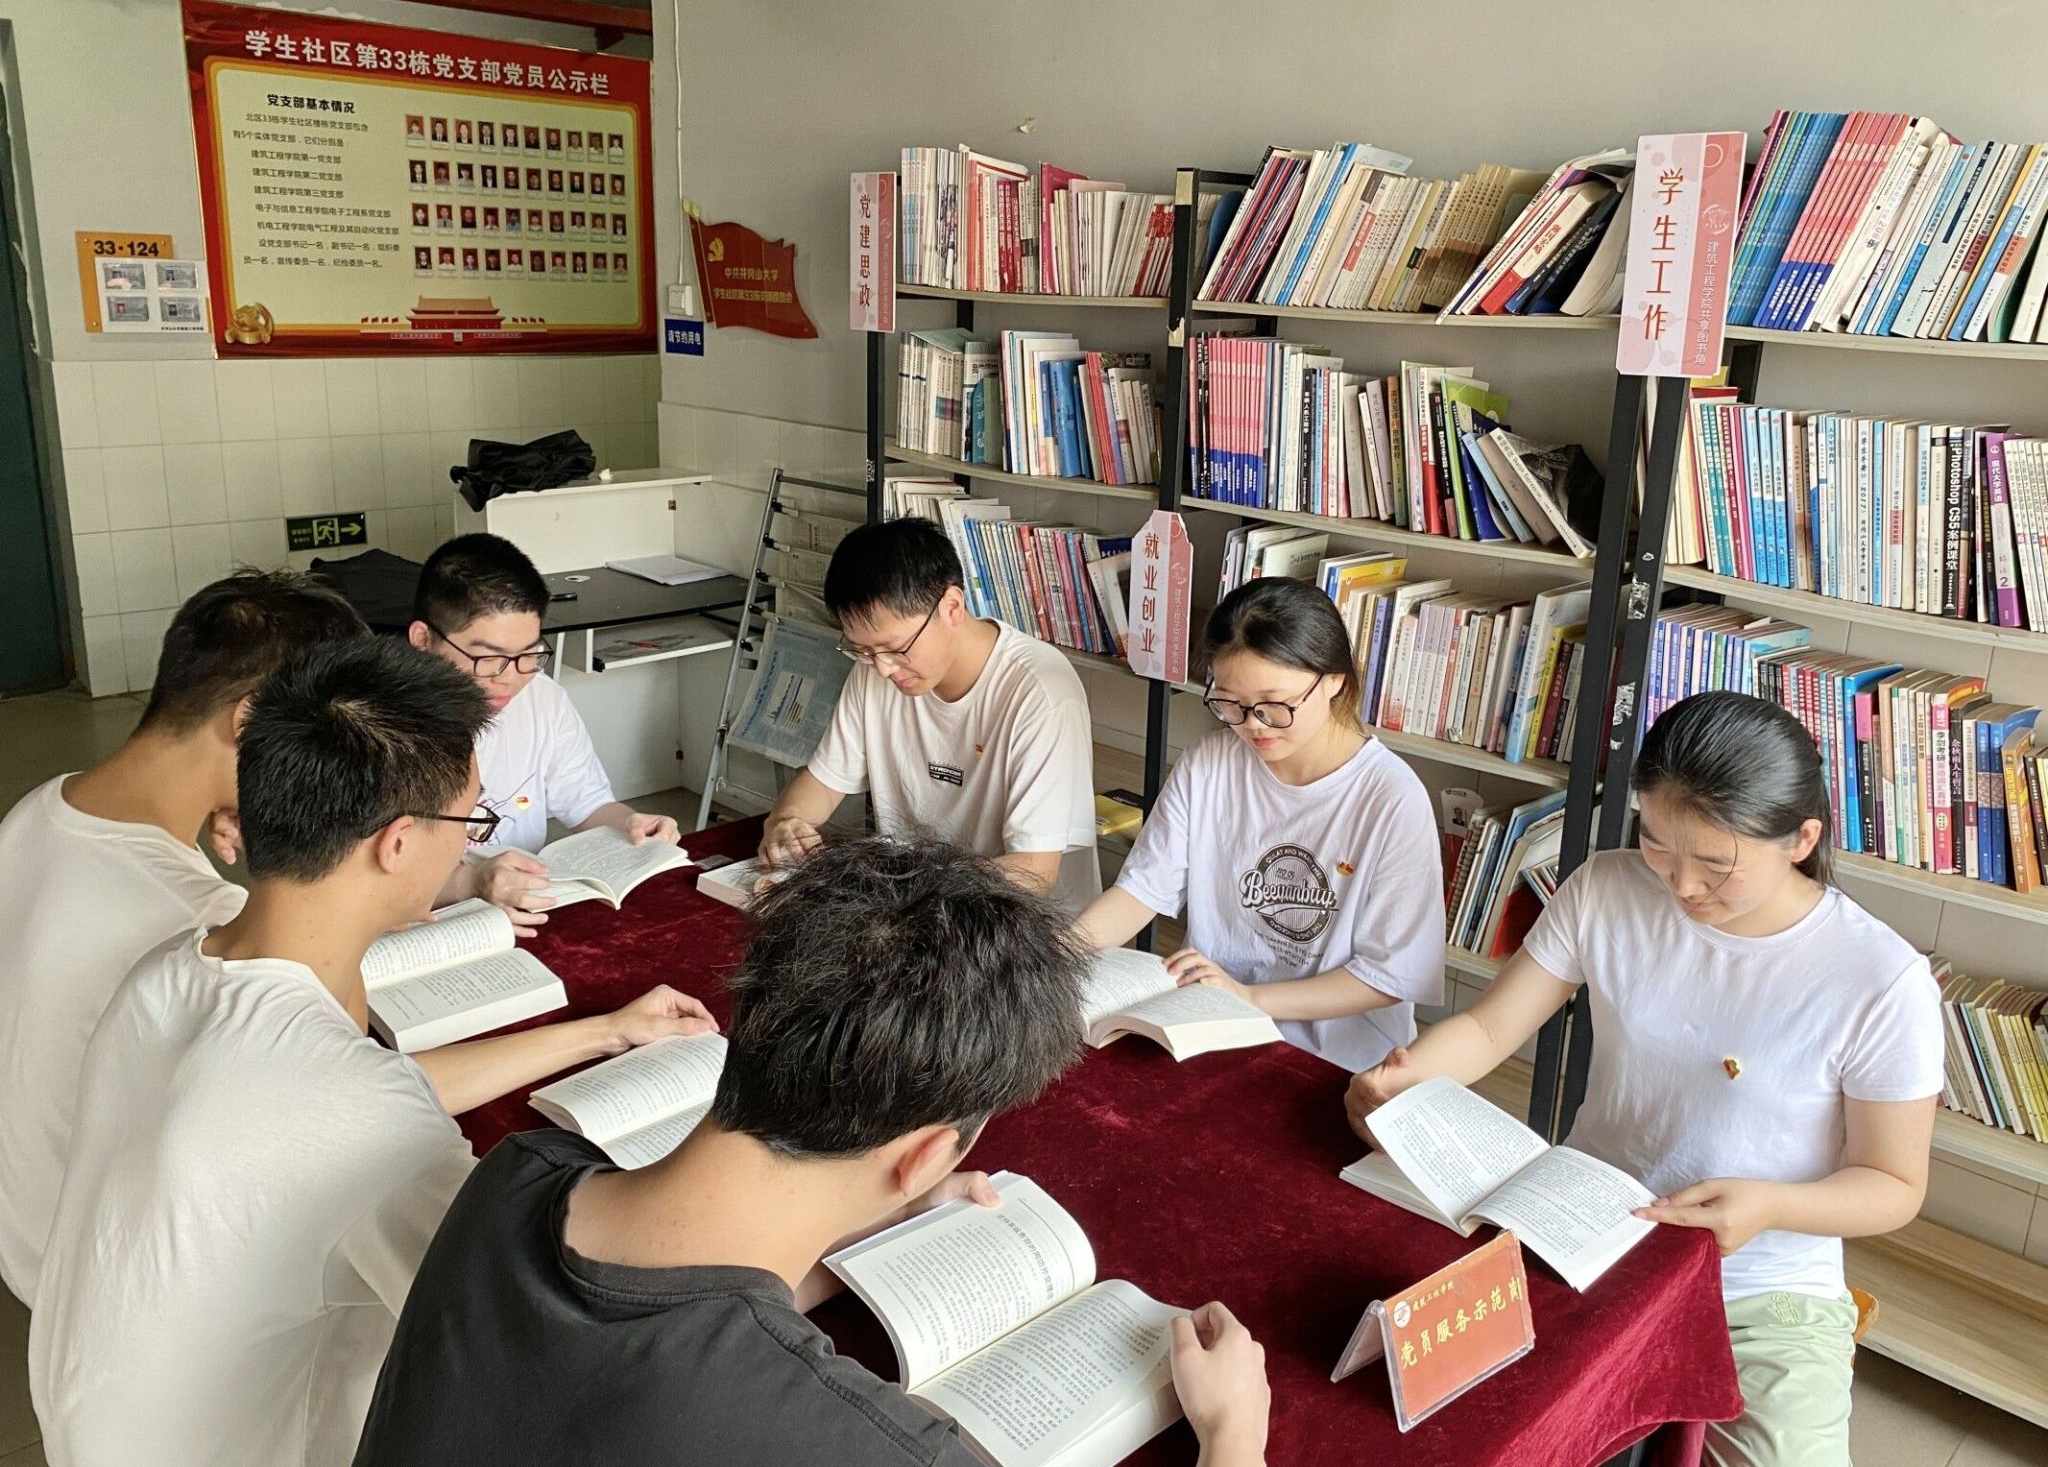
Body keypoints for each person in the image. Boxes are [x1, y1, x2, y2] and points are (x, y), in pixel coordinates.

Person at [352, 836, 1271, 1467]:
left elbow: (647, 1333)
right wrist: (1234, 1436)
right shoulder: (868, 1443)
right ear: (927, 1156)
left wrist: (856, 1234)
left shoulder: (520, 1171)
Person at [28, 636, 716, 1467]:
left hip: (96, 1423)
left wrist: (605, 1033)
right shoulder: (346, 1106)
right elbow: (549, 1331)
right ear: (396, 843)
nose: (470, 847)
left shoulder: (171, 971)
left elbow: (353, 1094)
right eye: (471, 824)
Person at [1343, 691, 1942, 1467]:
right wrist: (1407, 1079)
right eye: (1657, 844)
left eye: (1716, 864)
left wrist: (1771, 1204)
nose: (1682, 886)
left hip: (1758, 1288)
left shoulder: (1879, 980)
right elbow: (1490, 1029)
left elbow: (1893, 1183)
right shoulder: (1606, 888)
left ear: (1802, 839)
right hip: (1582, 1236)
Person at [0, 569, 365, 1307]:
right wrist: (299, 871)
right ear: (250, 719)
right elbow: (339, 1079)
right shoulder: (197, 914)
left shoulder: (44, 805)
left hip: (26, 1230)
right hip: (108, 1282)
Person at [1073, 578, 1444, 1072]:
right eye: (1230, 703)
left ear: (1334, 680)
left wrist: (1250, 998)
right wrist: (1054, 956)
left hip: (1333, 1058)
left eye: (1274, 704)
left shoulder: (1391, 799)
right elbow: (1140, 892)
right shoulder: (1210, 762)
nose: (1253, 725)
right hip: (1209, 1024)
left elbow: (1389, 977)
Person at [760, 518, 1100, 915]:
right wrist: (786, 822)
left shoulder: (1040, 691)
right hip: (917, 913)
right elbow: (822, 781)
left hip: (1022, 926)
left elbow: (1034, 872)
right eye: (862, 650)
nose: (882, 668)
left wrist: (902, 886)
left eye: (895, 648)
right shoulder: (875, 671)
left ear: (951, 607)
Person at [408, 533, 680, 933]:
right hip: (423, 929)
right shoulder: (376, 726)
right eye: (489, 659)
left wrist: (632, 824)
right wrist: (469, 883)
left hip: (525, 914)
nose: (510, 678)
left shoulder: (542, 699)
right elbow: (353, 885)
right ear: (422, 640)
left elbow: (587, 804)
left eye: (530, 655)